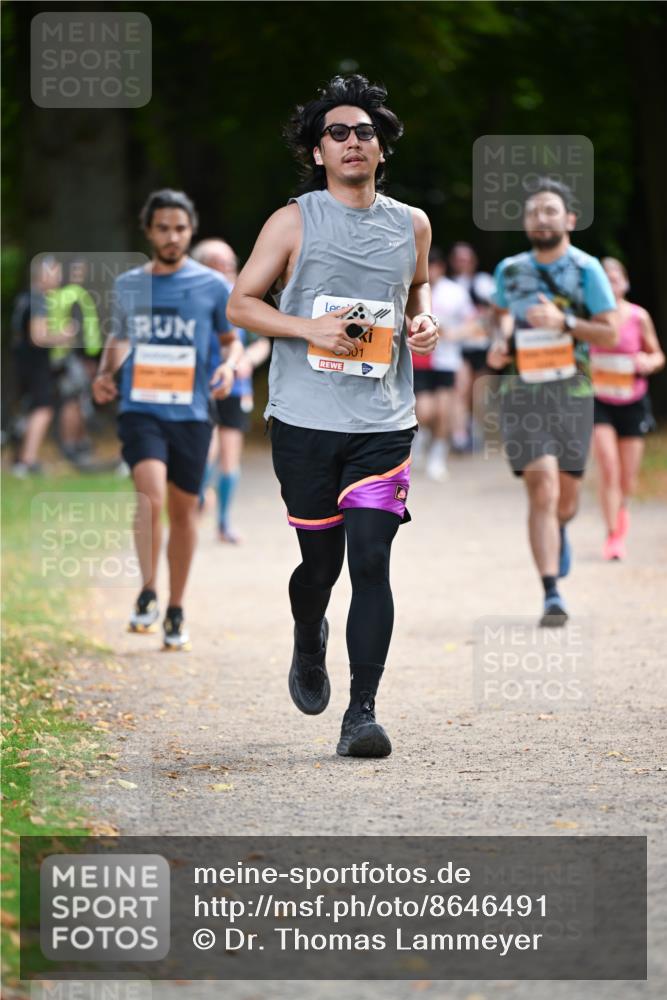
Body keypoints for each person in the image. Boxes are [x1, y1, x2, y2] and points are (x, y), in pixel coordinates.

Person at [228, 74, 438, 757]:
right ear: (317, 151)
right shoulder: (294, 221)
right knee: (320, 567)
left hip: (383, 422)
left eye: (364, 133)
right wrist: (305, 328)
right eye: (337, 133)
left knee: (371, 559)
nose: (352, 142)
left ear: (381, 148)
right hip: (305, 422)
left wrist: (423, 319)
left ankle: (362, 714)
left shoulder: (411, 224)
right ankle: (307, 632)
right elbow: (241, 304)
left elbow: (416, 289)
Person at [92, 189, 243, 649]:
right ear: (149, 231)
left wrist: (227, 365)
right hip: (141, 408)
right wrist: (104, 374)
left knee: (183, 511)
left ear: (190, 230)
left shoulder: (213, 286)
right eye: (163, 228)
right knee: (150, 495)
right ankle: (147, 590)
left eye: (179, 228)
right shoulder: (130, 285)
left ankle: (175, 607)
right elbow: (119, 338)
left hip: (193, 413)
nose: (172, 236)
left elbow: (230, 340)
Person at [487, 178, 617, 627]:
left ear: (569, 219)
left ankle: (560, 528)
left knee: (565, 499)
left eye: (550, 210)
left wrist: (564, 321)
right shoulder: (509, 270)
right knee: (540, 484)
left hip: (573, 391)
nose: (541, 218)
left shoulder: (587, 270)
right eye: (534, 212)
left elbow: (610, 331)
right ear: (525, 222)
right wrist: (500, 342)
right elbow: (502, 316)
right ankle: (551, 593)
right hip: (521, 390)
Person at [191, 239, 271, 542]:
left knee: (229, 456)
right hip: (200, 386)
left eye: (229, 263)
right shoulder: (190, 297)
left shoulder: (242, 298)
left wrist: (247, 359)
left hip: (235, 388)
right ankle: (199, 500)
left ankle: (223, 523)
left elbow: (261, 342)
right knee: (205, 451)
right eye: (216, 263)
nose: (225, 269)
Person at [591, 257, 664, 560]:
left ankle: (621, 516)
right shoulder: (591, 318)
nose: (610, 283)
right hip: (599, 400)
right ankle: (612, 537)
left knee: (627, 478)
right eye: (604, 279)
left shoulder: (639, 316)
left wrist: (649, 362)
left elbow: (658, 353)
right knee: (609, 467)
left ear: (625, 282)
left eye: (615, 278)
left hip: (633, 401)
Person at [411, 247, 475, 480]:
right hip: (419, 359)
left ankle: (437, 457)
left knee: (444, 411)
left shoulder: (455, 292)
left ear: (440, 268)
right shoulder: (411, 289)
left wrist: (453, 334)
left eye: (432, 267)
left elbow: (474, 324)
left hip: (447, 360)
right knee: (424, 411)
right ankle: (421, 439)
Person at [448, 242, 496, 453]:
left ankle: (475, 428)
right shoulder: (450, 286)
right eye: (459, 259)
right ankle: (460, 434)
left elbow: (494, 310)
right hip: (461, 347)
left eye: (466, 259)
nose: (463, 263)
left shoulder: (484, 282)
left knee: (479, 392)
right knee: (461, 390)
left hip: (482, 345)